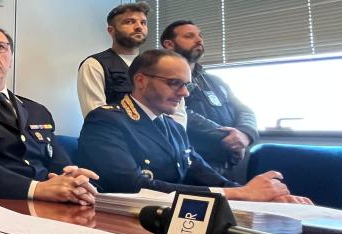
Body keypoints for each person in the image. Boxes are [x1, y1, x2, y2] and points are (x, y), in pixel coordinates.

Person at [78, 49, 309, 203]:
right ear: (140, 80)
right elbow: (133, 187)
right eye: (174, 83)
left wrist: (263, 195)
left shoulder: (173, 127)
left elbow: (202, 173)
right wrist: (238, 193)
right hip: (119, 225)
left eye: (186, 85)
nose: (185, 93)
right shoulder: (106, 121)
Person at [0, 24, 98, 204]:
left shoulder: (37, 111)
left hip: (50, 202)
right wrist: (35, 188)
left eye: (0, 47)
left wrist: (74, 178)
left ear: (10, 59)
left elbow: (58, 160)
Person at [160, 20, 258, 179]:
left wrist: (245, 133)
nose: (199, 40)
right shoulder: (161, 78)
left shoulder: (215, 81)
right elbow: (177, 113)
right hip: (189, 164)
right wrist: (228, 137)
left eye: (200, 35)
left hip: (227, 163)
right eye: (189, 36)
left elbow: (243, 109)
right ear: (169, 44)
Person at [77, 1, 150, 117]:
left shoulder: (154, 65)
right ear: (111, 30)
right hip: (115, 128)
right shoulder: (94, 65)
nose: (139, 27)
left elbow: (172, 111)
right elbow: (96, 117)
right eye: (129, 22)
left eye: (143, 23)